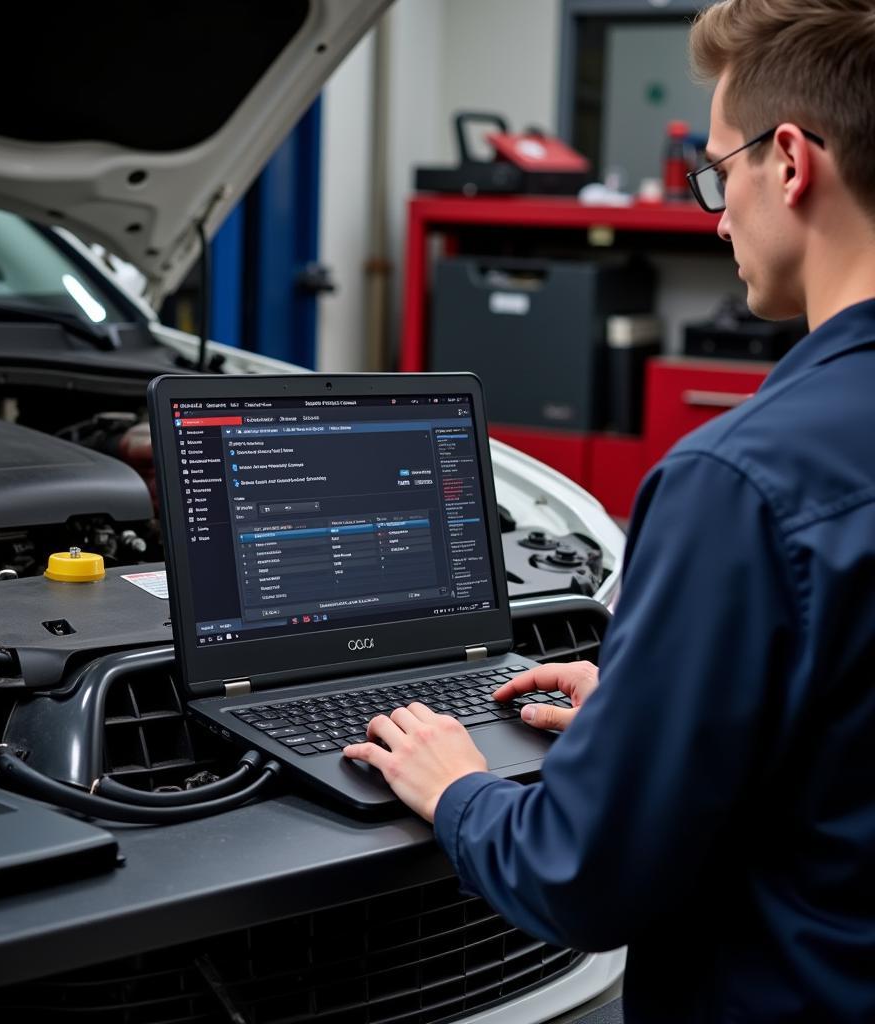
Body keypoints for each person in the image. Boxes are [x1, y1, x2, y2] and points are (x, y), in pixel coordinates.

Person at [344, 1, 875, 1020]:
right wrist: (654, 704)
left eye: (717, 173)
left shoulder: (738, 480)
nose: (714, 213)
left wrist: (454, 784)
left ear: (792, 163)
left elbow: (580, 875)